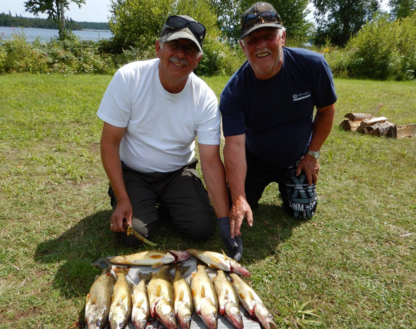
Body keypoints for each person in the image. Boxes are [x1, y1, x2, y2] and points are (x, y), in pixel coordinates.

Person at [97, 15, 241, 259]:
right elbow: (110, 142)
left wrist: (225, 224)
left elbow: (209, 160)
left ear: (198, 59)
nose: (180, 55)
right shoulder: (129, 78)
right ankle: (129, 197)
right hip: (134, 171)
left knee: (202, 229)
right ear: (158, 48)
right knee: (132, 233)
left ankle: (166, 201)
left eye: (189, 49)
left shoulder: (204, 97)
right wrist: (122, 199)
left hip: (178, 172)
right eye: (174, 45)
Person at [220, 2, 337, 241]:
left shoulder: (313, 66)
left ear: (282, 37)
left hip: (296, 158)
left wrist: (312, 154)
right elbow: (234, 146)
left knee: (303, 211)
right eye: (252, 40)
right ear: (243, 46)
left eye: (268, 36)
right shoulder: (234, 92)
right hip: (255, 159)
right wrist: (239, 197)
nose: (261, 45)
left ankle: (289, 184)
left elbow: (326, 111)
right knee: (231, 203)